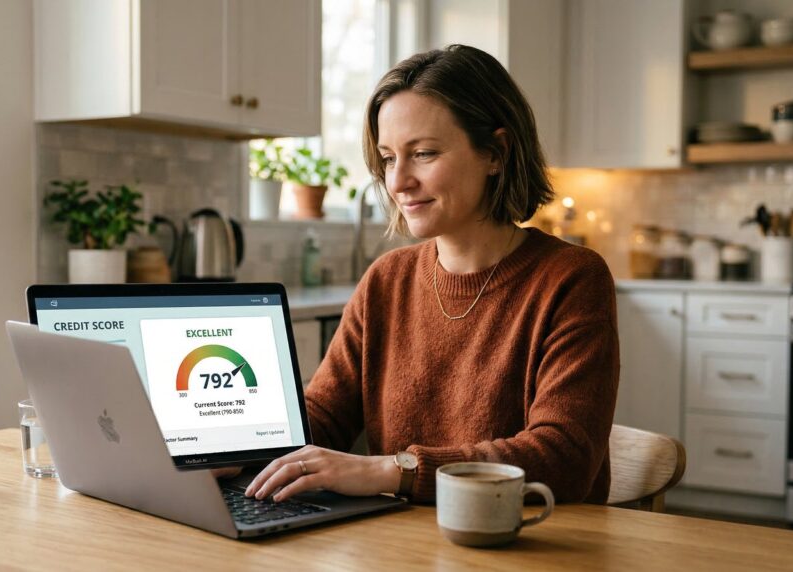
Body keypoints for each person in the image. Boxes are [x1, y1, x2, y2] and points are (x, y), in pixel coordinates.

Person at [243, 44, 619, 504]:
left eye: (422, 153)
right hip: (405, 545)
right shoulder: (387, 279)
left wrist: (392, 469)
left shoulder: (572, 278)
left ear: (496, 152)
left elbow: (563, 458)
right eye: (387, 158)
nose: (398, 181)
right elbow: (322, 415)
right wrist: (231, 451)